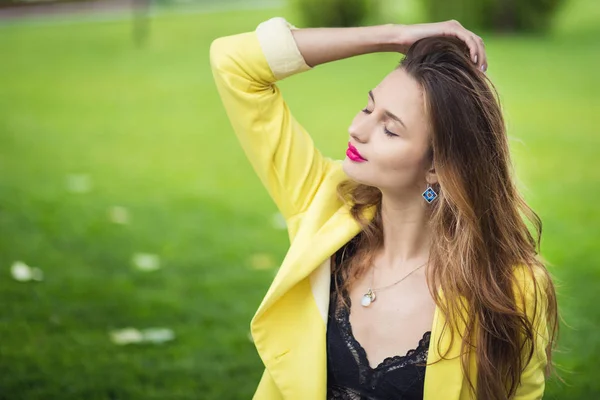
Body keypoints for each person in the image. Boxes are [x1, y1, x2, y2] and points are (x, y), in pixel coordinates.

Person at [210, 16, 559, 400]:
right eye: (367, 108)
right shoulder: (324, 203)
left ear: (435, 166)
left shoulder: (510, 287)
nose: (357, 130)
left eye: (390, 129)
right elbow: (234, 63)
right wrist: (394, 36)